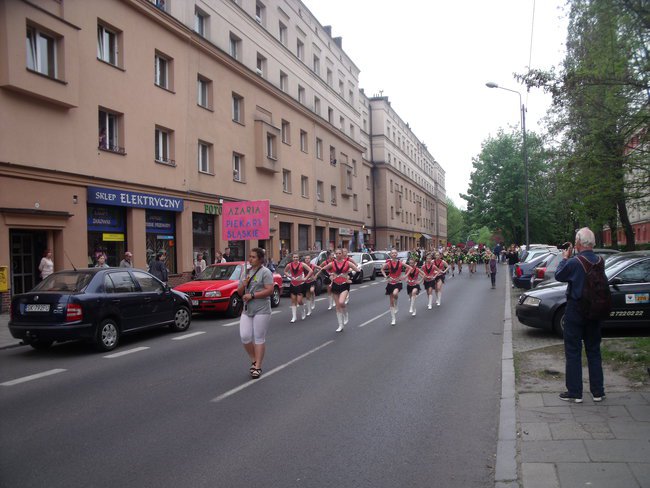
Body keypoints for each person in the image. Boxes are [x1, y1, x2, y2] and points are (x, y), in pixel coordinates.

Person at [554, 227, 606, 404]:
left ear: (578, 243)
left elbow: (559, 275)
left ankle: (575, 392)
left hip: (576, 310)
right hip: (594, 310)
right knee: (594, 350)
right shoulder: (600, 260)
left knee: (573, 351)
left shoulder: (575, 262)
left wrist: (564, 258)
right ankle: (598, 392)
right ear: (593, 243)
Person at [237, 248, 275, 379]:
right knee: (245, 336)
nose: (250, 259)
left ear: (260, 259)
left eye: (253, 257)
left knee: (259, 337)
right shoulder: (246, 272)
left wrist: (253, 295)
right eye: (249, 256)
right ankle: (253, 359)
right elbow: (239, 292)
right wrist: (244, 283)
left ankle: (258, 366)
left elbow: (270, 290)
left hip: (262, 309)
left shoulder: (266, 272)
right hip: (247, 309)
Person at [319, 248, 359, 332]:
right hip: (335, 285)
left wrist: (351, 279)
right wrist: (329, 276)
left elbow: (358, 271)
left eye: (339, 253)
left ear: (342, 254)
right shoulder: (332, 263)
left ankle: (345, 313)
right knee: (337, 306)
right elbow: (322, 269)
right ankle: (340, 325)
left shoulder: (348, 263)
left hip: (344, 285)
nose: (338, 255)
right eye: (336, 253)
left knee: (341, 302)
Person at [381, 249, 413, 326]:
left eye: (395, 253)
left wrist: (405, 276)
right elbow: (382, 269)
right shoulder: (388, 263)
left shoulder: (400, 263)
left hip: (398, 282)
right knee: (391, 301)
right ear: (391, 255)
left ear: (397, 254)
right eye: (392, 253)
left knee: (395, 293)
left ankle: (396, 304)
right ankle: (393, 319)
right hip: (390, 282)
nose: (394, 254)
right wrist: (386, 276)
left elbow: (410, 268)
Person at [284, 253, 313, 322]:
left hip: (300, 284)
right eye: (294, 257)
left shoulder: (302, 264)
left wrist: (305, 278)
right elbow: (285, 271)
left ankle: (303, 311)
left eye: (297, 257)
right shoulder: (289, 265)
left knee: (299, 301)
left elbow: (311, 271)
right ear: (292, 258)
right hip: (293, 284)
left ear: (298, 258)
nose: (295, 259)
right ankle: (294, 317)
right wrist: (289, 276)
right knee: (293, 301)